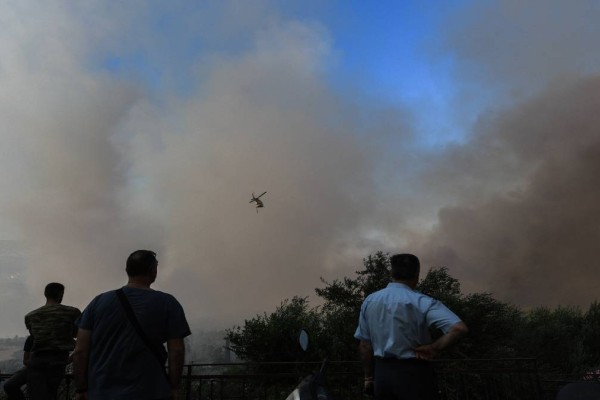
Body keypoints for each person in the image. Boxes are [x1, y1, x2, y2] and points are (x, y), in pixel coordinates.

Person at [72, 250, 191, 400]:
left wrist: (81, 388)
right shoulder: (168, 303)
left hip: (101, 392)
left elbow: (80, 351)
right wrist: (174, 387)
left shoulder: (98, 302)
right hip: (150, 391)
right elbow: (177, 351)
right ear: (152, 271)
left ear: (127, 270)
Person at [354, 253, 469, 400]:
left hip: (382, 375)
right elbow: (459, 328)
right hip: (414, 374)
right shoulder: (421, 301)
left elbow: (364, 344)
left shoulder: (370, 300)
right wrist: (435, 347)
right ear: (417, 273)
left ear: (392, 272)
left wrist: (369, 378)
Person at [24, 282, 81, 400]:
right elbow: (78, 334)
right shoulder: (72, 312)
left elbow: (34, 337)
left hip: (36, 360)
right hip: (58, 360)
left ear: (46, 294)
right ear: (61, 294)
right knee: (51, 393)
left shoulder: (30, 316)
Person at [3, 335, 33, 400]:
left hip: (51, 368)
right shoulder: (31, 338)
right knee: (9, 385)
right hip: (32, 367)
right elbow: (25, 360)